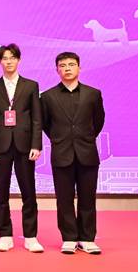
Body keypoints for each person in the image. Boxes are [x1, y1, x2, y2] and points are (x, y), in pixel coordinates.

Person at [40, 52, 105, 255]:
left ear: (79, 68)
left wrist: (84, 137)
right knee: (64, 199)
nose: (67, 68)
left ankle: (87, 238)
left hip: (87, 153)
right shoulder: (48, 96)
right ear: (57, 70)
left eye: (71, 64)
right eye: (62, 65)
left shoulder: (93, 94)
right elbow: (46, 124)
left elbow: (98, 121)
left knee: (88, 198)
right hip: (62, 153)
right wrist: (61, 139)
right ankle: (69, 238)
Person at [0, 44, 44, 253]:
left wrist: (36, 144)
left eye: (12, 58)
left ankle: (31, 236)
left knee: (29, 192)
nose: (8, 61)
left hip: (25, 145)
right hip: (0, 146)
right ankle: (5, 235)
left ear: (18, 60)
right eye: (4, 58)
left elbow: (37, 118)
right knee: (1, 193)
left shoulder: (31, 86)